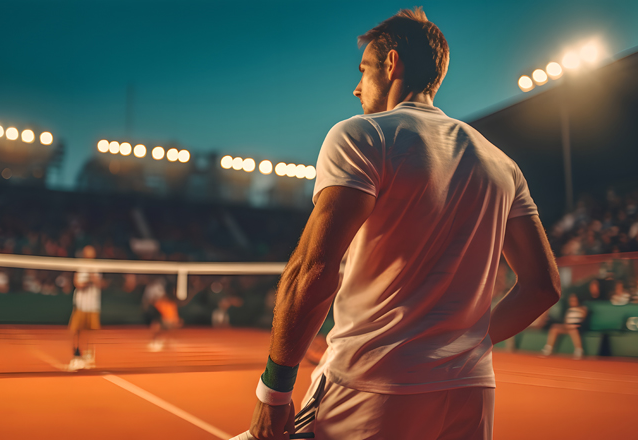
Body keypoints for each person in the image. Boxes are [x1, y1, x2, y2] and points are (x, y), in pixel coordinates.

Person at [239, 8, 560, 440]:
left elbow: (312, 271)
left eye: (364, 69)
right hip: (470, 391)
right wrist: (468, 342)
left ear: (392, 64)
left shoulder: (362, 136)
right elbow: (543, 286)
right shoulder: (502, 164)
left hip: (372, 387)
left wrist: (273, 393)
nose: (356, 88)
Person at [68, 245, 102, 371]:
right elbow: (78, 283)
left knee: (91, 330)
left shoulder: (97, 267)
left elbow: (99, 284)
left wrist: (93, 278)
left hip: (93, 305)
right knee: (76, 330)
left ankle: (89, 354)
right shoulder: (80, 267)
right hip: (81, 304)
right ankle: (76, 354)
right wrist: (88, 281)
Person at [541, 294, 588, 360]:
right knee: (554, 328)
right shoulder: (569, 310)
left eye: (574, 300)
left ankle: (579, 350)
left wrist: (574, 325)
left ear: (578, 300)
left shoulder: (583, 308)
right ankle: (549, 349)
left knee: (573, 331)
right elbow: (566, 321)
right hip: (567, 327)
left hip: (576, 328)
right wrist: (566, 325)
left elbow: (581, 319)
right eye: (571, 300)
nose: (572, 302)